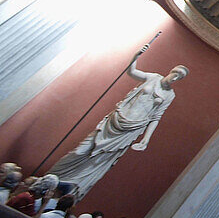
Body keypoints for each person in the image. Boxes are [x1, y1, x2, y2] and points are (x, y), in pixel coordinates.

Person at [47, 52, 189, 198]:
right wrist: (136, 56)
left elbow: (156, 117)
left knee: (98, 161)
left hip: (131, 129)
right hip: (116, 121)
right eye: (176, 73)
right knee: (81, 151)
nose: (175, 77)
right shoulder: (152, 77)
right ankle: (49, 180)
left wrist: (146, 139)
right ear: (171, 71)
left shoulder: (170, 95)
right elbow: (132, 72)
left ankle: (69, 193)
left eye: (179, 77)